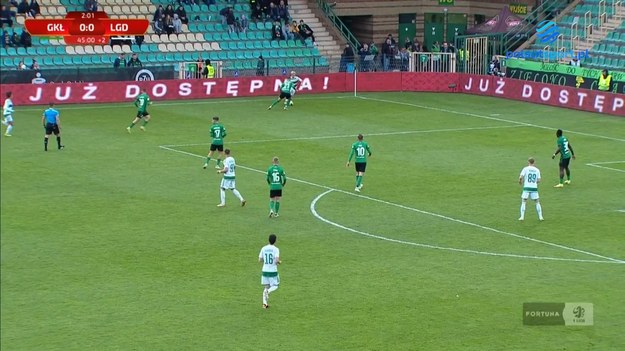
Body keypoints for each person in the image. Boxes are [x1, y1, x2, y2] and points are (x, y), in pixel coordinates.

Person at [259, 233, 281, 309]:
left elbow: (260, 259)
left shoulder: (263, 248)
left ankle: (264, 304)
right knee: (275, 286)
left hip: (264, 270)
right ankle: (268, 292)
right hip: (272, 271)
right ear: (275, 241)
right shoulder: (276, 249)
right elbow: (277, 260)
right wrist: (279, 262)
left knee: (266, 286)